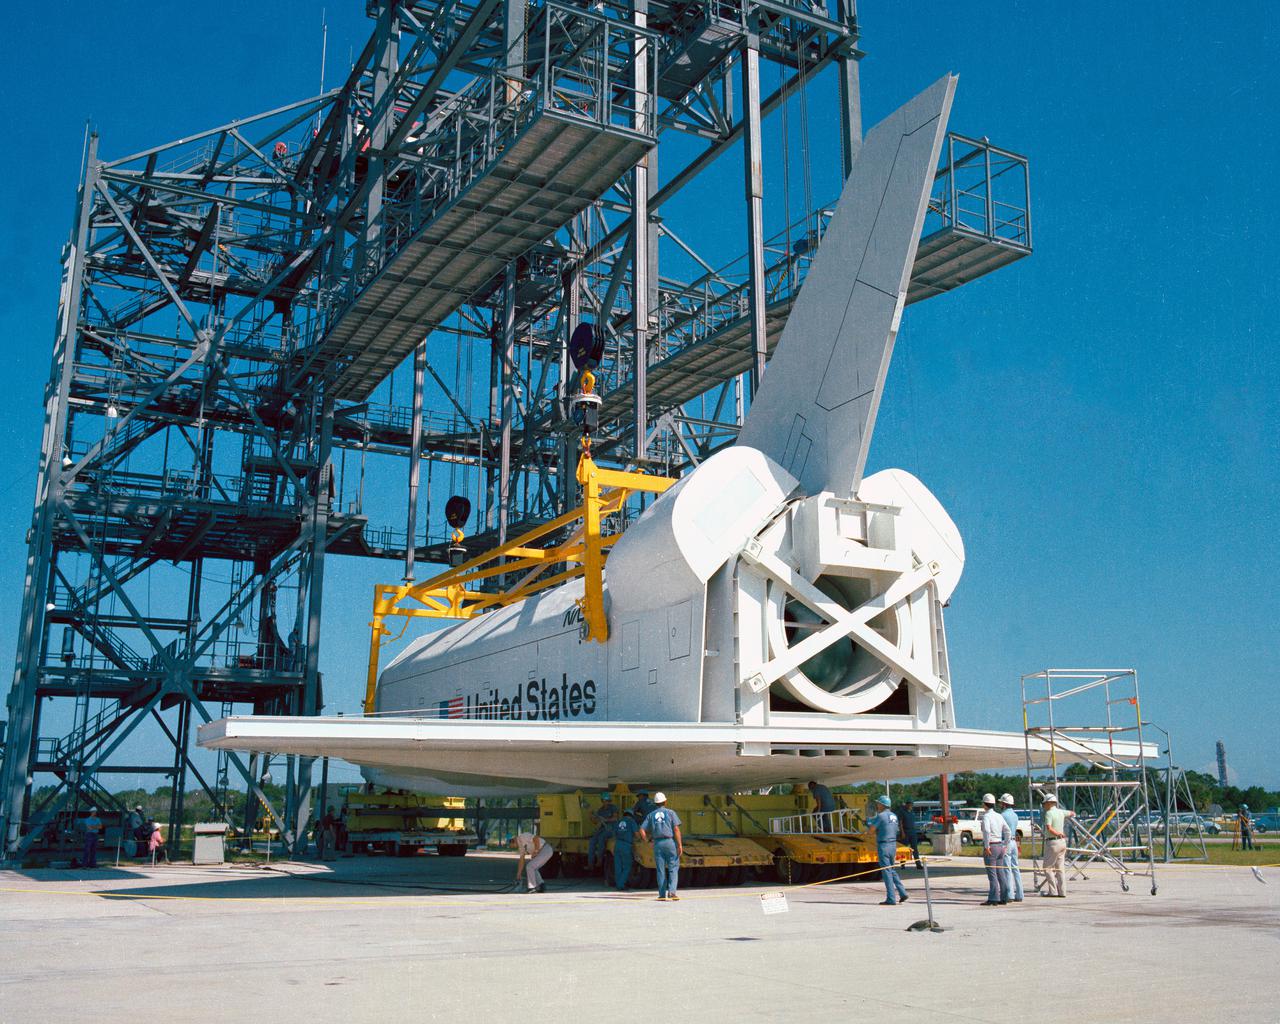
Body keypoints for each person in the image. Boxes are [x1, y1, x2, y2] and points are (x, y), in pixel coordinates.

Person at [639, 792, 683, 901]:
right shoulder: (671, 813)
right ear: (665, 801)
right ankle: (672, 893)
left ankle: (662, 894)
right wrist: (679, 845)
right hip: (669, 842)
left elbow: (641, 830)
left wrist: (647, 841)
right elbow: (676, 829)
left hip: (657, 843)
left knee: (660, 870)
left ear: (655, 803)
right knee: (673, 868)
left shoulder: (650, 815)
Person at [867, 794, 909, 905]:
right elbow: (894, 830)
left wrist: (870, 826)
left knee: (886, 872)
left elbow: (871, 831)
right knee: (892, 870)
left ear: (882, 804)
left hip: (884, 845)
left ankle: (891, 898)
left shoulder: (880, 816)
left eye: (878, 803)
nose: (877, 805)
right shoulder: (894, 816)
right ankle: (902, 892)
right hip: (892, 845)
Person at [979, 793, 1012, 905]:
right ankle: (1004, 896)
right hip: (999, 845)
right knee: (1000, 873)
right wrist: (1005, 845)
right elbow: (1008, 831)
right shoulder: (999, 816)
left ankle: (993, 898)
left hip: (991, 846)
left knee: (992, 874)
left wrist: (987, 846)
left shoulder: (986, 817)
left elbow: (987, 831)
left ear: (984, 804)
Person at [1040, 792, 1073, 898]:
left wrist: (1057, 833)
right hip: (1062, 842)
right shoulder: (1061, 812)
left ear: (1049, 803)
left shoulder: (1049, 813)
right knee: (1060, 868)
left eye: (1045, 803)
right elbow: (1072, 813)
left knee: (1047, 867)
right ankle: (1062, 891)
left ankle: (1053, 891)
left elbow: (1049, 827)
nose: (1044, 805)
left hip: (1053, 842)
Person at [999, 793, 1024, 902]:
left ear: (1004, 804)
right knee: (1016, 868)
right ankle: (1020, 893)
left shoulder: (1002, 815)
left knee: (1007, 869)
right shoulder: (1015, 815)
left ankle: (1010, 894)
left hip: (1006, 841)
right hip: (1014, 841)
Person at [587, 792, 619, 870]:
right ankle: (590, 864)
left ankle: (599, 861)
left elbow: (615, 818)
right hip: (602, 828)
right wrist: (592, 817)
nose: (606, 802)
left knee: (601, 838)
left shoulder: (613, 808)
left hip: (611, 828)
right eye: (605, 800)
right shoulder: (600, 810)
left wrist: (606, 820)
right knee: (592, 841)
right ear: (602, 801)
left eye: (608, 800)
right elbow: (596, 822)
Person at [612, 809, 639, 890]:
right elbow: (636, 834)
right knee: (627, 866)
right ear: (631, 815)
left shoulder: (618, 822)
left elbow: (614, 834)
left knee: (618, 866)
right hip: (626, 845)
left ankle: (618, 884)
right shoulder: (631, 821)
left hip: (617, 845)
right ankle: (620, 885)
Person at [896, 800, 923, 869]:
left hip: (913, 832)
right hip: (905, 832)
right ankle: (902, 864)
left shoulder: (912, 812)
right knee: (904, 849)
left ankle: (918, 864)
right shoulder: (902, 812)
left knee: (915, 849)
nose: (911, 806)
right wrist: (902, 832)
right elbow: (900, 823)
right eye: (909, 804)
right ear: (906, 804)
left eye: (911, 804)